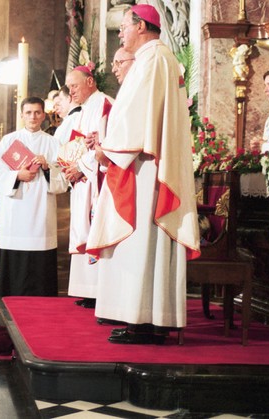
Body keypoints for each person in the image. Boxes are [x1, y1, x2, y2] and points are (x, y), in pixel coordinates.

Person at [86, 5, 200, 344]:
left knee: (139, 242)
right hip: (143, 163)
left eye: (124, 26)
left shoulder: (152, 59)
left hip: (144, 167)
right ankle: (146, 318)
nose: (120, 33)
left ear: (142, 26)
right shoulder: (158, 58)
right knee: (141, 245)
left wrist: (107, 148)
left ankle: (144, 320)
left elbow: (136, 115)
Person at [0, 97, 67, 297]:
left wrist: (48, 167)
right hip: (15, 211)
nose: (33, 117)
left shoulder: (53, 143)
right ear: (22, 115)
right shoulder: (9, 141)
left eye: (37, 112)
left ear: (43, 115)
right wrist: (17, 175)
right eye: (29, 113)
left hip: (41, 212)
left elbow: (64, 179)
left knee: (40, 264)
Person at [60, 64, 114, 309]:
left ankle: (98, 289)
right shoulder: (81, 110)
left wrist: (80, 167)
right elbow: (77, 144)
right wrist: (69, 166)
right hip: (81, 180)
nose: (71, 92)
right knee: (82, 229)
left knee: (93, 229)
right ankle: (86, 288)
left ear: (90, 81)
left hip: (95, 179)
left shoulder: (105, 104)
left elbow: (105, 145)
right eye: (69, 87)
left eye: (74, 85)